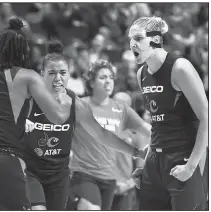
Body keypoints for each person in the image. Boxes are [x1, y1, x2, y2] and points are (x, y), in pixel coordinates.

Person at [23, 41, 145, 210]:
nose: (58, 78)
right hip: (32, 171)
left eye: (62, 73)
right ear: (42, 74)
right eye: (52, 73)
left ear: (68, 74)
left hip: (59, 174)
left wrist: (136, 152)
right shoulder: (28, 99)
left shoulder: (76, 104)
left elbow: (102, 134)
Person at [0, 18, 75, 211]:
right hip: (3, 160)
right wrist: (66, 102)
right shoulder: (27, 76)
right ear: (22, 51)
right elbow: (58, 117)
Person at [128, 16, 208, 210]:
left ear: (155, 39)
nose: (132, 44)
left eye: (138, 38)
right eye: (130, 39)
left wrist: (191, 167)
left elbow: (206, 118)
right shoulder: (142, 74)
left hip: (184, 156)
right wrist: (148, 165)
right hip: (155, 161)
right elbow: (157, 122)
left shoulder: (180, 67)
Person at [68, 59, 151, 210]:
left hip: (109, 178)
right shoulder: (79, 105)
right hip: (83, 174)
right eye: (102, 77)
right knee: (91, 208)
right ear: (91, 83)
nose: (108, 82)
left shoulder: (122, 110)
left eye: (111, 78)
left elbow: (148, 130)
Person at [111, 92, 144, 210]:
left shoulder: (136, 133)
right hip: (104, 187)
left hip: (125, 191)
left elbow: (141, 168)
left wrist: (128, 184)